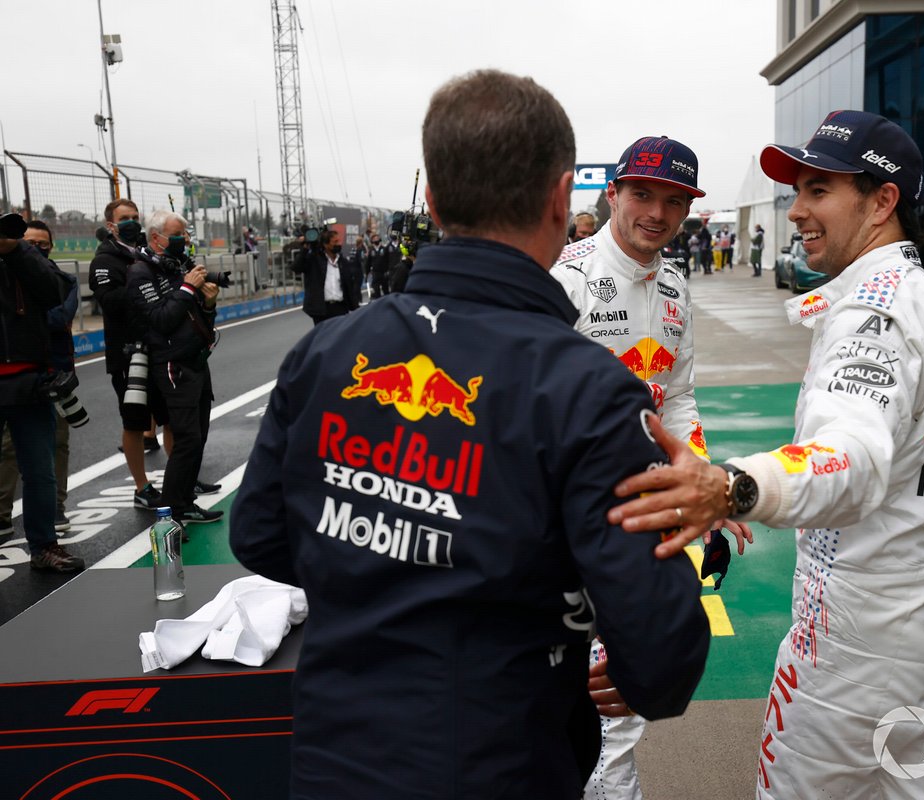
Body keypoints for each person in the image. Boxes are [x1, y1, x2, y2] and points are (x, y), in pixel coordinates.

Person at [229, 69, 710, 800]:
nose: (658, 212)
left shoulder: (326, 351)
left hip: (336, 757)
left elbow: (260, 537)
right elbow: (664, 655)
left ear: (432, 200)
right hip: (502, 756)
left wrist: (390, 567)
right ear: (566, 198)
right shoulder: (586, 385)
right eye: (642, 194)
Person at [606, 110, 924, 799]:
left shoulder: (872, 314)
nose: (797, 212)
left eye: (819, 191)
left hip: (852, 659)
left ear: (882, 202)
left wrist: (729, 488)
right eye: (798, 193)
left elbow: (852, 461)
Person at [551, 135, 751, 800]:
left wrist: (700, 484)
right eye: (642, 194)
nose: (657, 214)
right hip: (562, 524)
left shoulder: (674, 283)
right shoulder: (564, 277)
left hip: (641, 517)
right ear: (612, 192)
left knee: (619, 708)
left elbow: (680, 392)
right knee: (566, 702)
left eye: (674, 201)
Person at [126, 210, 223, 530]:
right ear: (156, 237)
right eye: (178, 235)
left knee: (200, 437)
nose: (184, 241)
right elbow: (160, 320)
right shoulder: (141, 273)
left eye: (185, 234)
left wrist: (208, 304)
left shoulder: (178, 266)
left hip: (197, 360)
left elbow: (199, 321)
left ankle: (184, 501)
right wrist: (187, 289)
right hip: (171, 364)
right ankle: (171, 512)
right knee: (186, 438)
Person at [0, 214, 83, 571]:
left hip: (31, 381)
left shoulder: (26, 261)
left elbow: (54, 293)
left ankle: (45, 546)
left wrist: (18, 250)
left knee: (40, 470)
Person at [89, 199, 167, 509]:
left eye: (136, 216)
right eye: (125, 218)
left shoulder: (146, 253)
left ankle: (179, 477)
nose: (132, 222)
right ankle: (141, 486)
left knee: (171, 416)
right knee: (134, 422)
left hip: (158, 347)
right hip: (127, 353)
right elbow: (110, 301)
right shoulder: (105, 260)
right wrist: (142, 285)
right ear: (111, 225)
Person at [292, 226, 361, 325]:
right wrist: (305, 248)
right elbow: (296, 268)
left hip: (340, 308)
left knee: (339, 338)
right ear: (325, 244)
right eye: (335, 242)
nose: (339, 244)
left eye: (339, 241)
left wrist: (355, 307)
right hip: (321, 309)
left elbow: (349, 285)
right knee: (323, 339)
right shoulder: (314, 260)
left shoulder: (343, 262)